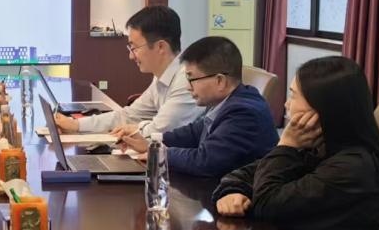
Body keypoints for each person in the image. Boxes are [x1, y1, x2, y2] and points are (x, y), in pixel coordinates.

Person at [213, 56, 379, 230]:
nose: (286, 105)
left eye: (293, 96)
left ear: (322, 107)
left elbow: (269, 206)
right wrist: (232, 191)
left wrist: (286, 145)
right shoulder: (321, 145)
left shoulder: (354, 168)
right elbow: (246, 174)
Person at [118, 36, 277, 178]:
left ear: (220, 81)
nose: (188, 87)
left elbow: (205, 160)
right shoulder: (224, 102)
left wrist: (159, 153)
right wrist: (152, 143)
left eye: (191, 79)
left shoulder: (244, 113)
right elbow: (194, 133)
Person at [55, 5, 202, 137]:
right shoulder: (161, 77)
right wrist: (76, 125)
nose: (131, 56)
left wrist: (137, 128)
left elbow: (161, 131)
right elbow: (128, 116)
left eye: (134, 48)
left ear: (160, 47)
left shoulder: (187, 80)